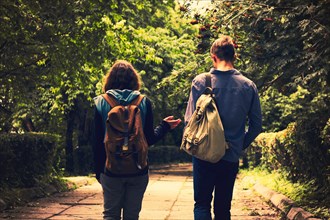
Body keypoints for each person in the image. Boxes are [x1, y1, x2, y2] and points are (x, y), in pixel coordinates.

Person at [184, 35, 262, 220]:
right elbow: (256, 126)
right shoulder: (248, 86)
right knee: (223, 208)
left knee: (202, 204)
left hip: (204, 154)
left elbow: (189, 121)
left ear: (213, 56)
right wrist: (238, 145)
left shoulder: (201, 81)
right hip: (230, 155)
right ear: (234, 56)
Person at [93, 60, 181, 220]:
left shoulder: (100, 102)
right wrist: (165, 126)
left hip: (110, 169)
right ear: (134, 80)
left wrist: (99, 171)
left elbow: (96, 142)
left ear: (110, 80)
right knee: (132, 216)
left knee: (110, 215)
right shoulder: (144, 102)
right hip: (138, 168)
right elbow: (148, 139)